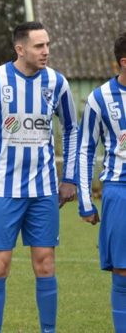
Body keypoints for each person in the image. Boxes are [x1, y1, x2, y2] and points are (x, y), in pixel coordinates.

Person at [0, 21, 78, 333]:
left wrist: (70, 177)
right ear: (20, 48)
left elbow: (71, 129)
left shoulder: (57, 83)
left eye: (48, 45)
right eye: (39, 46)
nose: (46, 51)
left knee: (46, 264)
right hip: (2, 191)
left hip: (43, 192)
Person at [77, 32, 126, 333]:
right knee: (122, 272)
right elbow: (85, 150)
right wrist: (85, 201)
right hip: (119, 191)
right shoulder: (100, 99)